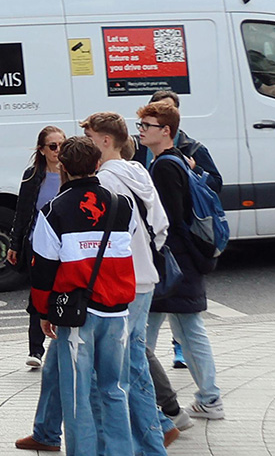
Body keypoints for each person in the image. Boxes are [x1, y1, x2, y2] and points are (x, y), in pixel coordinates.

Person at [32, 136, 136, 456]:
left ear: (62, 167)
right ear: (97, 165)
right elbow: (124, 244)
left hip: (78, 313)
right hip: (117, 310)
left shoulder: (53, 210)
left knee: (76, 393)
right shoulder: (123, 205)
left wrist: (43, 312)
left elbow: (44, 270)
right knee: (114, 389)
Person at [81, 109, 172, 456]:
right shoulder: (139, 173)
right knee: (134, 363)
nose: (87, 145)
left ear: (105, 141)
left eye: (90, 139)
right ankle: (151, 440)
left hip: (122, 284)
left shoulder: (105, 182)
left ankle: (141, 444)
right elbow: (160, 226)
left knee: (116, 371)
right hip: (145, 278)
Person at [138, 101, 221, 420]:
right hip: (182, 262)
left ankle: (188, 400)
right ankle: (208, 398)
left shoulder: (165, 166)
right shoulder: (175, 161)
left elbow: (170, 220)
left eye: (147, 126)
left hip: (173, 263)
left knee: (144, 336)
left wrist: (180, 258)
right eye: (141, 125)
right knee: (181, 330)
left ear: (166, 131)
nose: (142, 131)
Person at [18, 126, 68, 378]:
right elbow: (23, 212)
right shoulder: (33, 175)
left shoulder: (71, 175)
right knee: (38, 296)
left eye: (61, 145)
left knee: (63, 294)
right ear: (42, 150)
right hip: (37, 244)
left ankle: (61, 346)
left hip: (66, 246)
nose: (58, 151)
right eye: (52, 146)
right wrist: (15, 244)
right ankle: (35, 350)